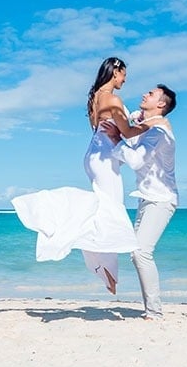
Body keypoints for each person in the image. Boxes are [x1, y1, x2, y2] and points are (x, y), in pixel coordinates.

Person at [12, 57, 148, 294]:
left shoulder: (94, 98)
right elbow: (125, 131)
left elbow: (105, 130)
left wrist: (128, 126)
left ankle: (104, 271)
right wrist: (152, 123)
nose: (125, 79)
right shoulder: (113, 99)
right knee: (111, 211)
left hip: (94, 155)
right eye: (124, 74)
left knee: (102, 209)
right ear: (116, 72)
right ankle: (104, 271)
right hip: (104, 158)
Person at [101, 83, 178, 319]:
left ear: (161, 104)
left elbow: (135, 160)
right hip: (147, 199)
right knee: (137, 252)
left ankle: (154, 312)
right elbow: (134, 121)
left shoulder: (158, 133)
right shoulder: (148, 127)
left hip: (161, 200)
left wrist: (118, 139)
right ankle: (152, 310)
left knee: (141, 253)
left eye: (151, 94)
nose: (145, 94)